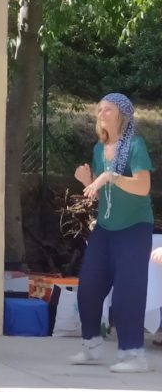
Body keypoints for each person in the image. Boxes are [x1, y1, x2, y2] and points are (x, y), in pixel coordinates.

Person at [70, 93, 154, 373]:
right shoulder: (99, 148)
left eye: (108, 109)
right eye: (100, 109)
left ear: (122, 115)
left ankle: (134, 355)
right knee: (89, 287)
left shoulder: (135, 146)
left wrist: (110, 176)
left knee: (127, 294)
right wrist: (89, 181)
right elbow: (101, 193)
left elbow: (142, 187)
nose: (101, 113)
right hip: (105, 228)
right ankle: (91, 345)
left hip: (134, 228)